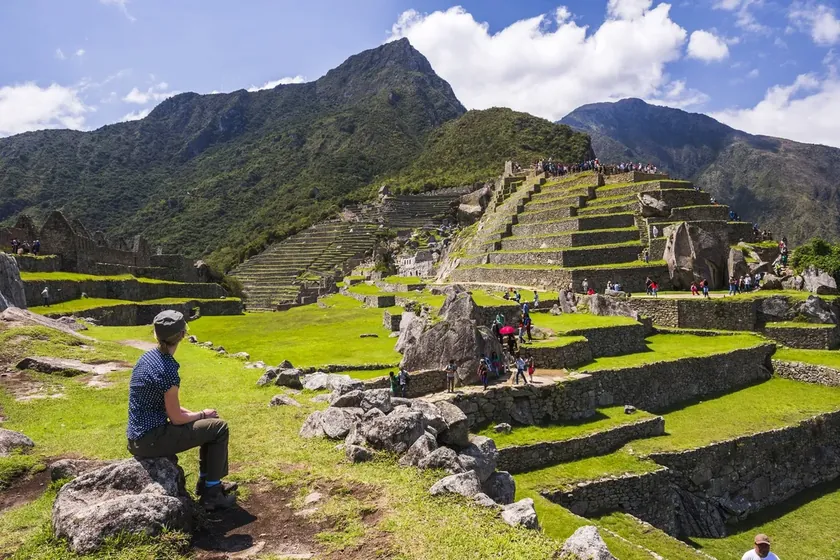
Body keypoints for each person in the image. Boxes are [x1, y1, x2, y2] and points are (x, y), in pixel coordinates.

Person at [126, 310, 236, 511]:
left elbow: (168, 407)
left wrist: (198, 416)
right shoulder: (167, 369)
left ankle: (210, 483)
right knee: (219, 428)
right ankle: (211, 493)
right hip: (152, 439)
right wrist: (202, 414)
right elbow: (176, 418)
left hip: (137, 438)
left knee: (206, 426)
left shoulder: (147, 359)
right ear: (182, 335)